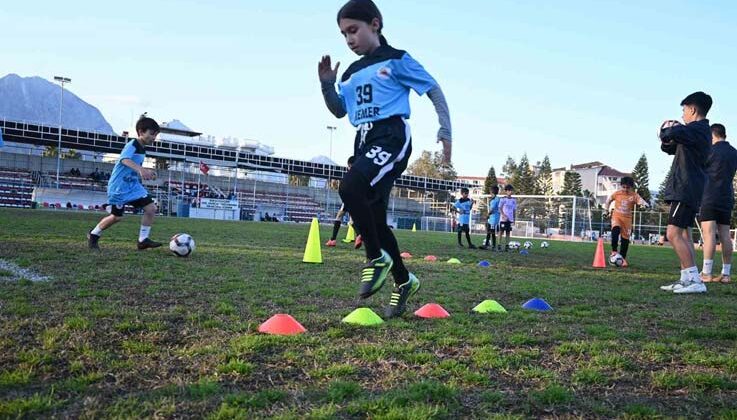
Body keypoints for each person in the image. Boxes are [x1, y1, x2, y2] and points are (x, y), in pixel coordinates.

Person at [319, 0, 452, 318]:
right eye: (343, 34)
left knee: (350, 187)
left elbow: (433, 89)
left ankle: (375, 257)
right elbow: (340, 110)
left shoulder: (396, 60)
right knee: (376, 220)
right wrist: (326, 84)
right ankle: (405, 281)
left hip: (391, 136)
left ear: (375, 24)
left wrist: (445, 130)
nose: (349, 39)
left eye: (354, 30)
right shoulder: (349, 73)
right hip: (363, 141)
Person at [658, 92, 712, 294]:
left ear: (692, 109)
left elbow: (672, 133)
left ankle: (695, 281)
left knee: (672, 234)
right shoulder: (695, 133)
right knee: (684, 234)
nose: (682, 115)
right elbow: (671, 146)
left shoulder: (697, 129)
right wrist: (666, 138)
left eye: (684, 110)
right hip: (687, 187)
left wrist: (666, 130)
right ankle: (687, 279)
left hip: (686, 187)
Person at [87, 114, 162, 251]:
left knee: (151, 208)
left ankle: (142, 240)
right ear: (140, 132)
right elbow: (124, 159)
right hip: (119, 187)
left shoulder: (142, 149)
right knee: (116, 217)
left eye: (155, 135)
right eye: (151, 134)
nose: (153, 138)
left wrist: (147, 172)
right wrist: (140, 169)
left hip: (133, 187)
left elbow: (133, 166)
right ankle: (93, 234)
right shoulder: (132, 144)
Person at [699, 123, 737, 283]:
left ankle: (706, 273)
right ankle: (726, 274)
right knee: (725, 235)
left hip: (709, 195)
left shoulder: (709, 150)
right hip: (726, 196)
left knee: (709, 234)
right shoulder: (734, 152)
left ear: (712, 135)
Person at [604, 177, 649, 267]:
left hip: (627, 220)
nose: (625, 189)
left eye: (627, 187)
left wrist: (645, 205)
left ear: (631, 187)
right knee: (615, 230)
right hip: (617, 216)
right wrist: (606, 210)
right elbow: (608, 201)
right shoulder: (617, 194)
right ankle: (614, 251)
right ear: (621, 186)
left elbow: (642, 202)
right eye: (623, 187)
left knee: (625, 240)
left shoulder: (634, 196)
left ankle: (622, 258)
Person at [326, 156, 363, 248]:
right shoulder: (361, 173)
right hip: (359, 199)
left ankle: (332, 240)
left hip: (349, 198)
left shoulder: (351, 174)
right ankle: (359, 235)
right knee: (351, 221)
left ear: (350, 165)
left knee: (338, 216)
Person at [481, 186, 501, 251]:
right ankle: (487, 245)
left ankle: (493, 246)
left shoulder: (494, 200)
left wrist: (487, 215)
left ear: (492, 192)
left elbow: (492, 209)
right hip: (495, 218)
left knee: (492, 232)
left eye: (490, 192)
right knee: (489, 232)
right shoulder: (498, 199)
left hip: (493, 219)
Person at [499, 185, 517, 251]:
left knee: (508, 232)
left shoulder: (514, 200)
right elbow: (500, 208)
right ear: (506, 191)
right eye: (509, 190)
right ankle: (499, 245)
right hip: (503, 219)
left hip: (510, 219)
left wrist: (514, 219)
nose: (510, 192)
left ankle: (507, 246)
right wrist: (503, 215)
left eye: (511, 190)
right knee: (501, 231)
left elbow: (514, 210)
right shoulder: (503, 199)